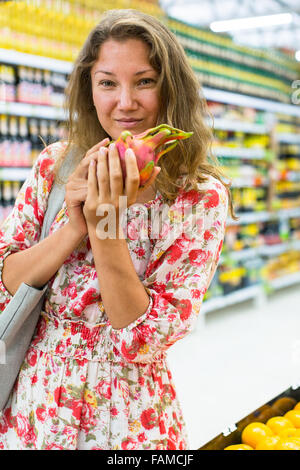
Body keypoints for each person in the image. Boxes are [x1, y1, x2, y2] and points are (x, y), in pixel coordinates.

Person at [0, 9, 233, 450]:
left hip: (128, 423)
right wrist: (73, 227)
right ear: (90, 89)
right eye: (108, 82)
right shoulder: (56, 165)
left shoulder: (198, 198)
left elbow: (143, 338)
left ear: (171, 88)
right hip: (34, 412)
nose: (125, 102)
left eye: (144, 81)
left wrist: (105, 226)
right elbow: (6, 281)